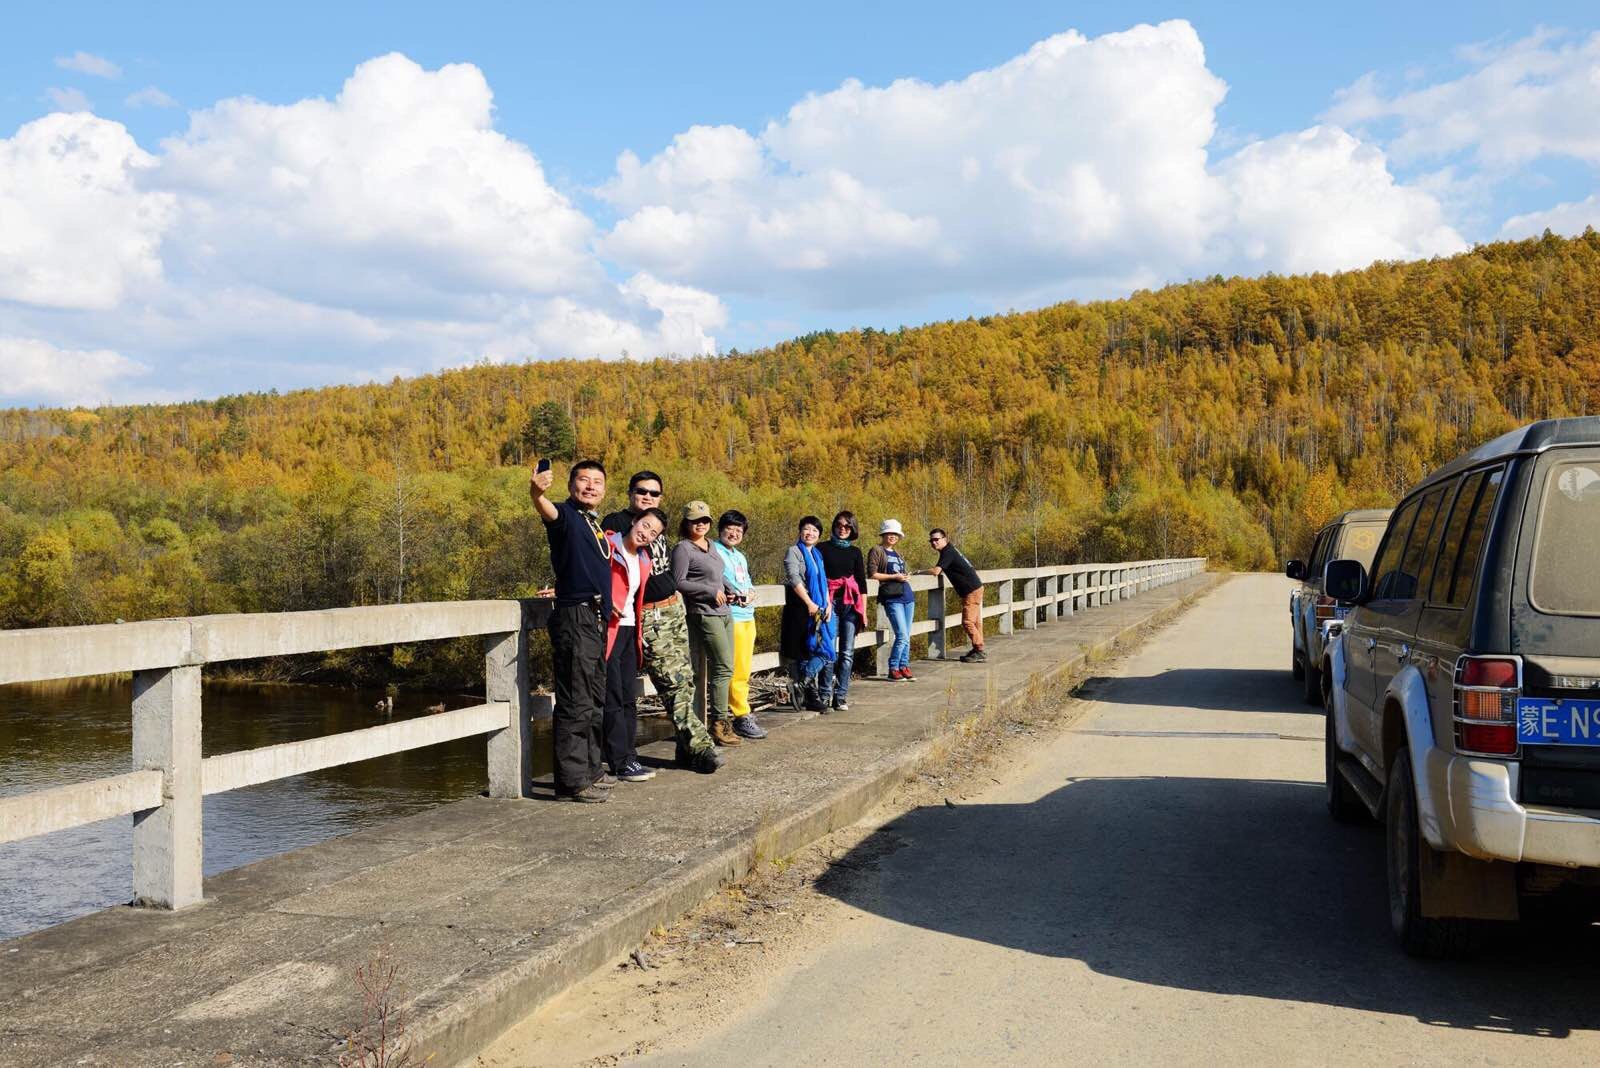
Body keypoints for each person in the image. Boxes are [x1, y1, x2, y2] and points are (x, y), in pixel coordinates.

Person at [602, 472, 722, 774]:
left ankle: (686, 749)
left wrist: (671, 586)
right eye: (641, 491)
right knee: (674, 683)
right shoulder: (617, 523)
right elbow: (606, 564)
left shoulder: (658, 525)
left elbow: (667, 572)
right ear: (630, 492)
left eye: (654, 494)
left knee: (686, 680)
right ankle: (701, 747)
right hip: (649, 615)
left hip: (674, 610)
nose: (647, 497)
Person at [530, 459, 613, 802]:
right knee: (576, 701)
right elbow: (545, 508)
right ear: (571, 485)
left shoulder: (593, 524)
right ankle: (572, 782)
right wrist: (536, 491)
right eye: (584, 480)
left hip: (594, 619)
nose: (591, 486)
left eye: (597, 481)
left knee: (594, 700)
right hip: (575, 620)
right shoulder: (565, 515)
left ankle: (592, 771)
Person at [602, 508, 667, 783]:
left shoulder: (643, 559)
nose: (646, 533)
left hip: (630, 630)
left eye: (653, 533)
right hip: (609, 630)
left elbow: (635, 599)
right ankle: (618, 761)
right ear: (634, 521)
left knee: (629, 696)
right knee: (613, 696)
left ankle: (629, 757)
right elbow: (588, 575)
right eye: (645, 525)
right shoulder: (607, 544)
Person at [672, 501, 739, 746]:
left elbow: (719, 575)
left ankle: (720, 721)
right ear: (686, 523)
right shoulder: (683, 549)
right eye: (695, 520)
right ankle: (719, 724)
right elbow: (678, 582)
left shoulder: (711, 546)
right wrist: (709, 590)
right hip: (704, 613)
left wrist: (731, 590)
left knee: (727, 666)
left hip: (724, 611)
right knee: (722, 668)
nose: (701, 524)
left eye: (705, 520)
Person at [714, 510, 766, 739]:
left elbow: (748, 582)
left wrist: (752, 593)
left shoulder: (740, 556)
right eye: (730, 528)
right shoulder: (714, 550)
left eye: (739, 530)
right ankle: (740, 715)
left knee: (744, 667)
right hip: (730, 616)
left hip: (747, 615)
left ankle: (740, 712)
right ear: (721, 528)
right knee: (733, 668)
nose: (734, 533)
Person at [780, 516, 835, 711]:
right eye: (806, 529)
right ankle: (810, 696)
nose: (810, 533)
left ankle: (801, 683)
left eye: (814, 530)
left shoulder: (818, 555)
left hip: (819, 608)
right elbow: (794, 578)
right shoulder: (794, 552)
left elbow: (824, 582)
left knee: (826, 651)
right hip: (800, 608)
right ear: (800, 531)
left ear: (819, 535)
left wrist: (828, 604)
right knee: (805, 652)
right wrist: (809, 603)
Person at [816, 511, 867, 711]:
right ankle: (824, 694)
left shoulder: (855, 552)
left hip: (850, 604)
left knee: (846, 652)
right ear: (834, 526)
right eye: (839, 525)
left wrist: (865, 610)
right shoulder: (822, 548)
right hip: (829, 603)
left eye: (847, 526)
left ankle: (841, 696)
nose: (843, 529)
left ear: (853, 529)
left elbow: (862, 583)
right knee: (829, 651)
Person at [919, 528, 986, 662]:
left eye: (936, 539)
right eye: (931, 540)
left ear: (945, 539)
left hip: (971, 590)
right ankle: (977, 649)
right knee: (975, 622)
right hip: (975, 587)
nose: (933, 542)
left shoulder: (947, 552)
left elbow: (936, 571)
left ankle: (980, 650)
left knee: (967, 622)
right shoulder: (949, 550)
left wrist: (918, 572)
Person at [867, 518, 916, 681]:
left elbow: (902, 572)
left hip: (907, 595)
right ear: (884, 534)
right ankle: (893, 667)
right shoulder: (877, 550)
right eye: (889, 533)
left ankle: (904, 666)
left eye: (895, 534)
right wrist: (894, 576)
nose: (892, 536)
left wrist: (905, 576)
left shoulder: (898, 553)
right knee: (901, 634)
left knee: (906, 635)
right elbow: (873, 574)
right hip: (892, 597)